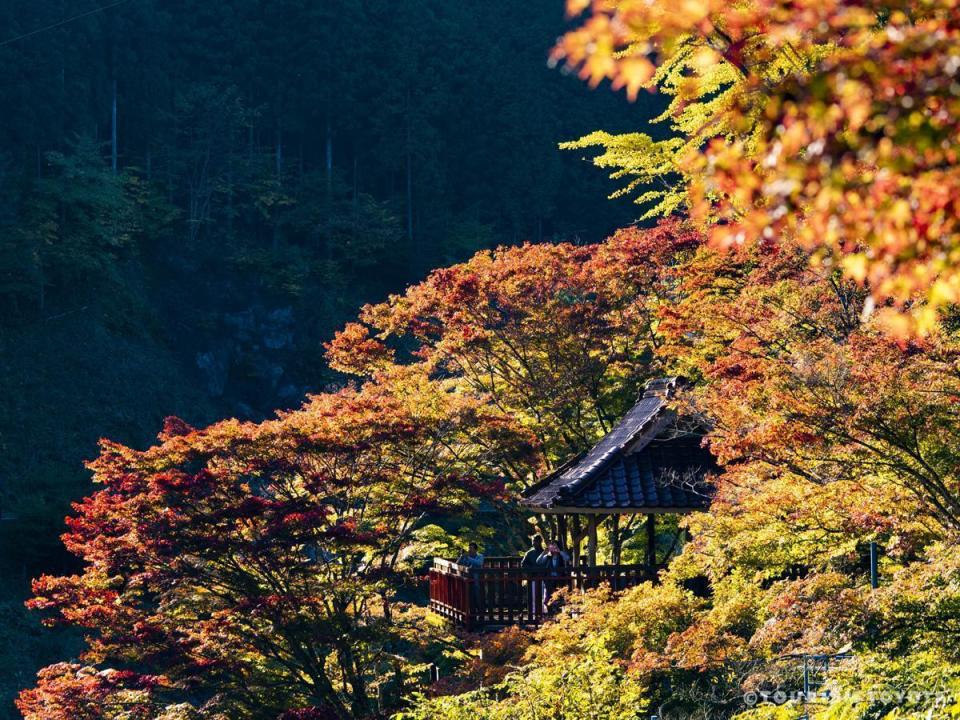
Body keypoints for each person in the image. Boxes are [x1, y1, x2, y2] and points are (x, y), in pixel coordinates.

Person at [537, 539, 571, 610]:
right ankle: (549, 611)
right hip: (549, 579)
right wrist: (544, 552)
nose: (554, 548)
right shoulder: (548, 556)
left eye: (555, 546)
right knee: (549, 596)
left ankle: (558, 611)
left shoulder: (561, 555)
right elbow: (539, 561)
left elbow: (567, 558)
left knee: (559, 596)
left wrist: (560, 551)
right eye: (552, 546)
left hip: (560, 579)